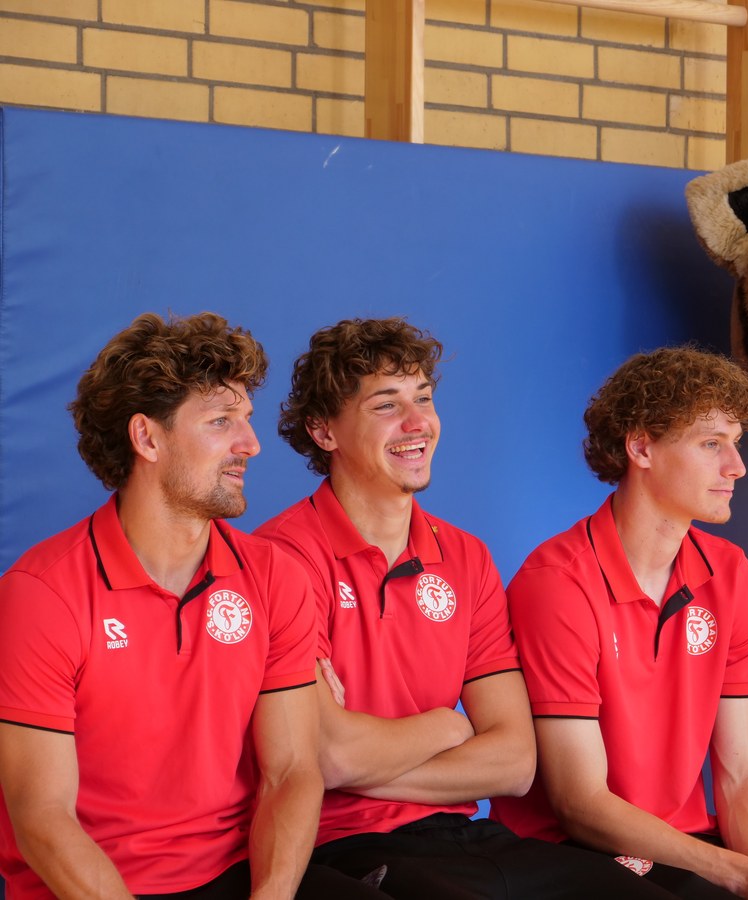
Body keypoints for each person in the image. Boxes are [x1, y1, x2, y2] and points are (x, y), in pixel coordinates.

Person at [256, 317, 673, 899]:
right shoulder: (282, 557)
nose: (417, 422)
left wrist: (360, 760)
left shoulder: (465, 556)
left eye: (423, 398)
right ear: (324, 431)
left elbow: (514, 763)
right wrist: (450, 725)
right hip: (347, 844)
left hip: (471, 835)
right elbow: (327, 755)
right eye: (386, 405)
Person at [0, 312, 365, 900]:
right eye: (221, 421)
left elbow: (292, 772)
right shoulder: (42, 592)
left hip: (236, 875)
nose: (251, 444)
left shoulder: (275, 577)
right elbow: (42, 817)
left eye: (247, 419)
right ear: (147, 438)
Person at [490, 348, 748, 900]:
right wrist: (742, 875)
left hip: (682, 848)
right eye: (711, 444)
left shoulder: (732, 575)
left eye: (736, 442)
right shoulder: (557, 582)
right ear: (641, 448)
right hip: (570, 853)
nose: (737, 466)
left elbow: (742, 774)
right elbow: (579, 803)